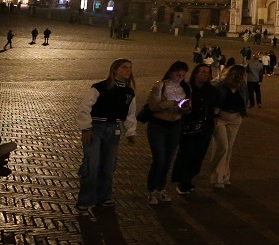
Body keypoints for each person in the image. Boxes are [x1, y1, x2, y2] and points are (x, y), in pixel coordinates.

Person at [75, 59, 138, 212]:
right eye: (124, 67)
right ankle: (85, 199)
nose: (127, 70)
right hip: (96, 128)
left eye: (129, 68)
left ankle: (103, 197)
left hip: (114, 129)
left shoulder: (129, 92)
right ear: (115, 69)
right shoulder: (99, 87)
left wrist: (130, 132)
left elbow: (130, 113)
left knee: (108, 165)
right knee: (92, 163)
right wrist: (86, 128)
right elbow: (85, 107)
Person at [144, 60, 191, 204]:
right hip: (158, 125)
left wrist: (184, 109)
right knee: (159, 159)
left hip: (175, 126)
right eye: (178, 75)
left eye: (183, 76)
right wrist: (173, 103)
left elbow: (189, 107)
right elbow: (153, 106)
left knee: (168, 159)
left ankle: (161, 189)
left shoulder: (185, 88)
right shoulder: (160, 85)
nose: (180, 78)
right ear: (171, 72)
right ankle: (152, 190)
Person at [172, 63, 219, 195]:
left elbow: (215, 106)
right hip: (188, 127)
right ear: (195, 74)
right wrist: (183, 108)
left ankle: (189, 179)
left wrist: (214, 118)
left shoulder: (211, 90)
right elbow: (179, 103)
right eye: (203, 72)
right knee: (187, 153)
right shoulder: (187, 88)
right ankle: (183, 181)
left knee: (199, 155)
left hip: (205, 127)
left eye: (208, 72)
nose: (206, 74)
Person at [209, 64, 248, 188]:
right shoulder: (220, 86)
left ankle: (225, 175)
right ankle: (216, 178)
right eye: (241, 76)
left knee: (229, 148)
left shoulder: (242, 87)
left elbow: (245, 100)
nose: (243, 79)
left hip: (235, 118)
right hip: (220, 118)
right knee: (222, 147)